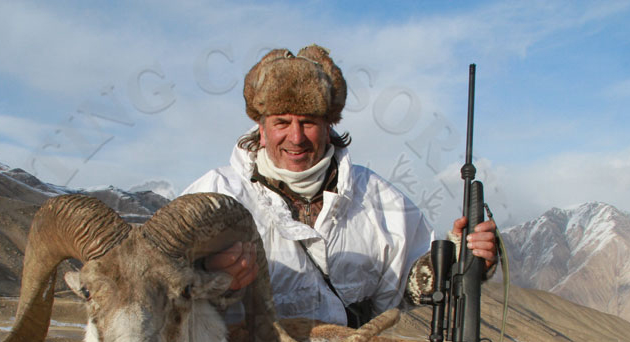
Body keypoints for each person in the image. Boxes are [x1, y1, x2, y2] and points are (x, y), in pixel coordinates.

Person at [183, 45, 496, 327]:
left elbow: (409, 287)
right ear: (261, 130)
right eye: (282, 122)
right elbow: (158, 283)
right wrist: (209, 276)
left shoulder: (379, 198)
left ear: (328, 127)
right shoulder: (214, 194)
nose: (296, 137)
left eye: (308, 122)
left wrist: (461, 260)